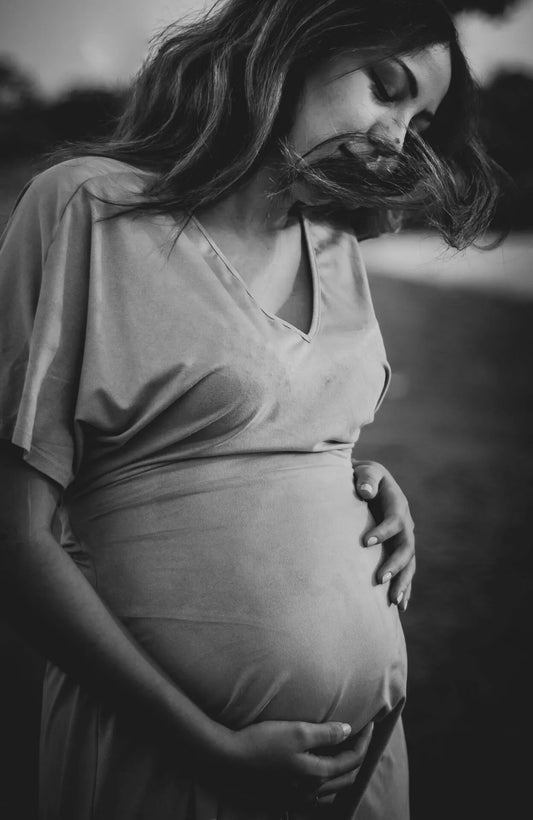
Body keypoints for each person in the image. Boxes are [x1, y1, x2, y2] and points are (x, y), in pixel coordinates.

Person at [0, 1, 499, 818]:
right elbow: (11, 536)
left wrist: (352, 481)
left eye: (419, 122)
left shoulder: (336, 246)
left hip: (366, 765)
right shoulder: (84, 208)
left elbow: (273, 430)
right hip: (165, 760)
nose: (394, 138)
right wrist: (208, 746)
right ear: (294, 44)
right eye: (385, 88)